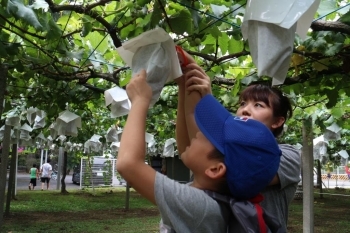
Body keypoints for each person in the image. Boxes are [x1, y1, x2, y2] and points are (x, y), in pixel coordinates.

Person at [117, 69, 282, 232]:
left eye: (210, 136)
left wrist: (140, 100)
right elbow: (186, 141)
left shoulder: (200, 207)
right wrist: (184, 84)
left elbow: (128, 164)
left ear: (215, 169)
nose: (200, 133)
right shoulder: (215, 200)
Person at [175, 49, 300, 232]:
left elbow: (228, 169)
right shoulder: (222, 144)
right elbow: (188, 148)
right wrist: (183, 88)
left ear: (278, 121)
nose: (245, 110)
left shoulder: (288, 156)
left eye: (258, 105)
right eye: (242, 104)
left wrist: (202, 94)